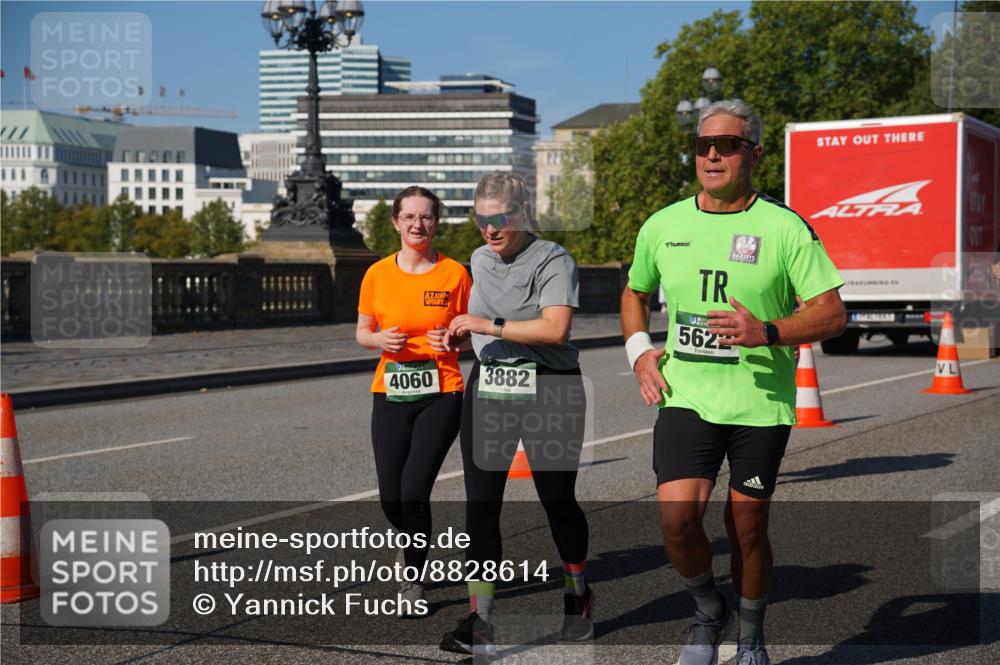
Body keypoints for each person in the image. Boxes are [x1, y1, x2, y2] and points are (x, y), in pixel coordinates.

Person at [620, 100, 846, 665]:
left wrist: (766, 331)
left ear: (755, 154)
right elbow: (634, 293)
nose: (713, 156)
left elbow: (832, 313)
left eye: (728, 145)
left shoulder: (785, 227)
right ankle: (707, 611)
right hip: (686, 396)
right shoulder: (662, 225)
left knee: (745, 526)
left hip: (760, 403)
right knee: (677, 521)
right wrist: (639, 353)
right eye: (704, 146)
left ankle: (750, 639)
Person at [439, 171, 593, 657]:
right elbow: (484, 327)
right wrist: (462, 337)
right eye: (481, 219)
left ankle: (578, 595)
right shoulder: (480, 259)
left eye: (501, 218)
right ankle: (480, 621)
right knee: (481, 505)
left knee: (557, 500)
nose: (490, 229)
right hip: (492, 386)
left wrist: (487, 325)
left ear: (523, 213)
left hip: (550, 386)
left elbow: (554, 329)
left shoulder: (553, 259)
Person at [355, 186, 472, 615]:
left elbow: (472, 331)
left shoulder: (455, 274)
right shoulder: (377, 274)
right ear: (396, 222)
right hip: (390, 392)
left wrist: (454, 339)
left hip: (442, 391)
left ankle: (413, 579)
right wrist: (379, 340)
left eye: (425, 217)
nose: (417, 224)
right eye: (409, 217)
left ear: (435, 223)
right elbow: (362, 332)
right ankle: (412, 541)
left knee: (414, 490)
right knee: (391, 496)